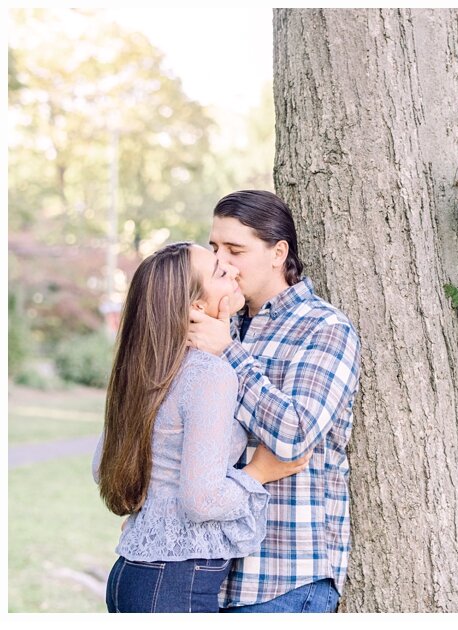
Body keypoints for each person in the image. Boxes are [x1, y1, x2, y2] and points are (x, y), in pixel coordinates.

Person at [92, 241, 310, 613]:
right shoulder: (209, 373)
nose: (233, 271)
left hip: (134, 575)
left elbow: (103, 467)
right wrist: (258, 473)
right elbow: (201, 500)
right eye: (220, 272)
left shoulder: (151, 368)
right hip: (174, 584)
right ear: (195, 306)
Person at [187, 190, 360, 613]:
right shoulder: (220, 323)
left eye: (235, 249)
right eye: (214, 248)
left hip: (284, 577)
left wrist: (227, 354)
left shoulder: (325, 328)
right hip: (205, 573)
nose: (222, 261)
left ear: (277, 253)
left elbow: (296, 435)